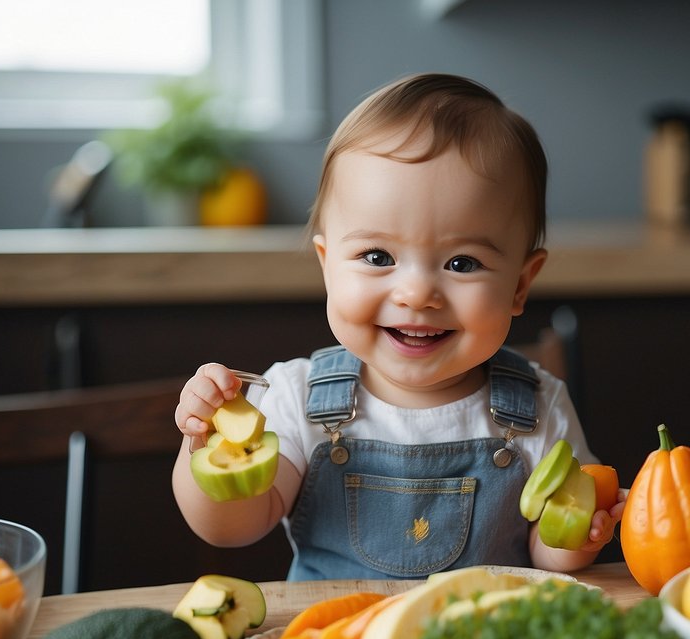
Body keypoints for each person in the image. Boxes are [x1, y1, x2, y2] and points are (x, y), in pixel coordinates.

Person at [172, 72, 623, 580]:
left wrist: (578, 538)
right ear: (328, 266)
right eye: (377, 255)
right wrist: (206, 449)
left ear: (520, 285)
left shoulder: (541, 408)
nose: (416, 294)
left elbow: (548, 554)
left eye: (461, 264)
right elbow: (231, 528)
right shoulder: (295, 398)